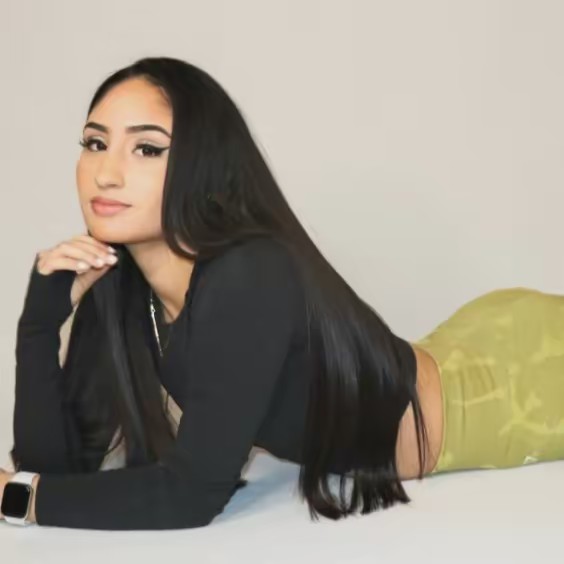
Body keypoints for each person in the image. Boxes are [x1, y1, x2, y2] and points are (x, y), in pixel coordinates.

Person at [1, 56, 563, 531]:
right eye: (95, 143)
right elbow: (52, 470)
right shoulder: (119, 283)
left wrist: (18, 501)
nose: (105, 173)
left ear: (204, 164)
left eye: (147, 149)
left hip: (510, 390)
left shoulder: (246, 272)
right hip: (460, 345)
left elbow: (191, 494)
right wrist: (39, 324)